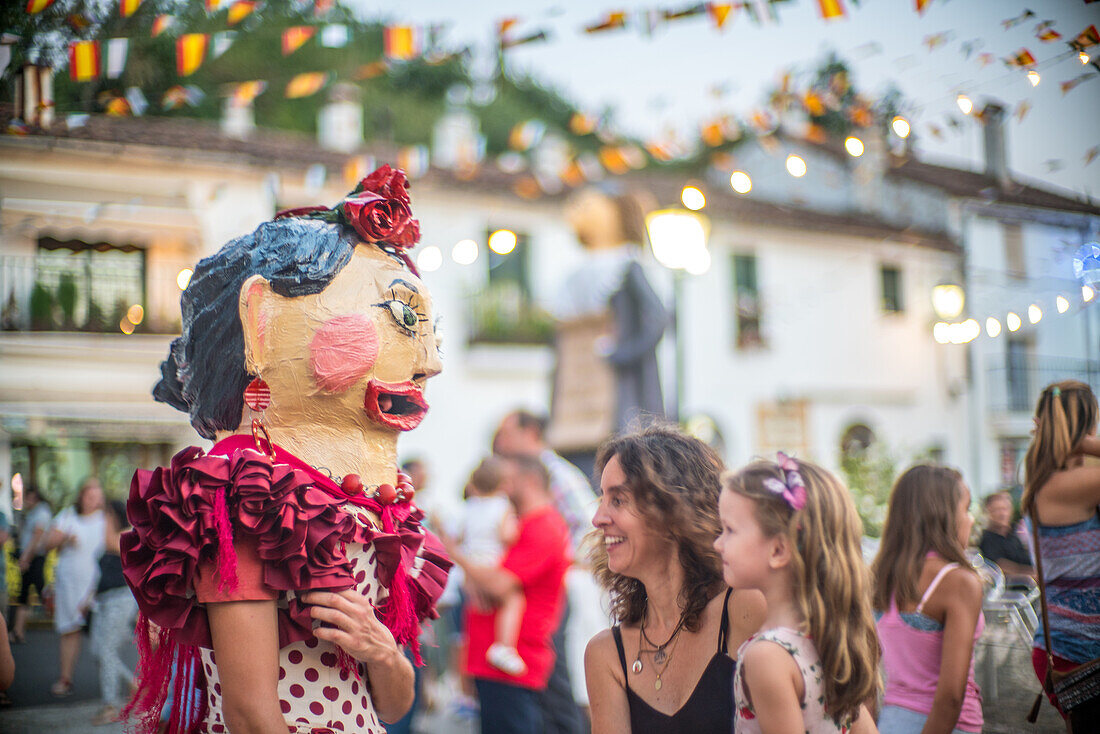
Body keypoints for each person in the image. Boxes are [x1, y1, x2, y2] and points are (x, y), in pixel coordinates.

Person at [120, 165, 451, 734]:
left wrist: (382, 651)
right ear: (262, 321)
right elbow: (251, 715)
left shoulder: (373, 504)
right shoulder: (242, 495)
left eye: (426, 330)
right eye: (399, 318)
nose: (431, 363)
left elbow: (392, 705)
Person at [585, 424, 766, 734]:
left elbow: (836, 714)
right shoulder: (607, 653)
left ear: (673, 508)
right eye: (602, 499)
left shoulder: (745, 608)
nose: (598, 518)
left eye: (618, 500)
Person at [718, 454, 879, 734]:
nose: (718, 543)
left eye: (730, 530)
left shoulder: (767, 657)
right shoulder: (829, 640)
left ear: (779, 550)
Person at [444, 454, 572, 734]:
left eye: (509, 481)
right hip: (493, 662)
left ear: (529, 482)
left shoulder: (543, 526)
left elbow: (499, 584)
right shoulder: (523, 525)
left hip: (514, 667)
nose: (503, 488)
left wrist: (456, 555)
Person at [494, 409, 598, 729]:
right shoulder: (530, 472)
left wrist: (558, 560)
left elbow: (592, 530)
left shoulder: (557, 474)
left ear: (531, 433)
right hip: (541, 583)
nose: (502, 441)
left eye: (509, 433)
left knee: (556, 676)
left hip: (558, 586)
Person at [871, 465, 983, 734]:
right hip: (945, 726)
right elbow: (950, 696)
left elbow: (867, 674)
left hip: (890, 720)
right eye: (966, 509)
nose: (971, 520)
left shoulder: (880, 576)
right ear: (944, 515)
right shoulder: (957, 581)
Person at [1021, 380, 1100, 721]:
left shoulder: (1054, 480)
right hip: (1080, 654)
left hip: (1076, 649)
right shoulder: (1068, 484)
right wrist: (1085, 442)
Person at [450, 456, 525, 675]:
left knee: (478, 609)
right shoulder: (503, 506)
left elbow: (460, 537)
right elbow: (507, 535)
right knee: (512, 599)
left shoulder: (468, 506)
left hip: (469, 568)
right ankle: (504, 647)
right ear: (502, 484)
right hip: (491, 566)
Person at [44, 477, 107, 697]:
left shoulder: (105, 519)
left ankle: (111, 685)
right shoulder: (68, 515)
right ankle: (66, 678)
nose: (93, 500)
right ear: (81, 496)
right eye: (89, 495)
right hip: (69, 583)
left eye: (97, 495)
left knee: (103, 636)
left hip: (97, 585)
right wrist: (62, 540)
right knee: (69, 631)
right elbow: (47, 544)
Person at [90, 500, 139, 725]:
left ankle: (110, 706)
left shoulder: (128, 533)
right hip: (104, 600)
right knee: (98, 650)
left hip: (121, 599)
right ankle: (133, 685)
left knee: (107, 650)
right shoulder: (115, 533)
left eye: (107, 514)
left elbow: (110, 543)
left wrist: (107, 519)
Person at [12, 484, 52, 644]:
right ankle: (18, 630)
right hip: (31, 556)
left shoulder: (41, 512)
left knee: (38, 588)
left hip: (34, 557)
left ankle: (61, 613)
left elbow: (36, 538)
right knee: (26, 591)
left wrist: (26, 558)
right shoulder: (34, 512)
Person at [978, 491, 1034, 584]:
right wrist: (1031, 575)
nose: (1002, 514)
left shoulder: (1013, 534)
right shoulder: (988, 538)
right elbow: (1000, 567)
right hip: (1015, 588)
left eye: (1005, 509)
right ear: (988, 512)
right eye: (997, 510)